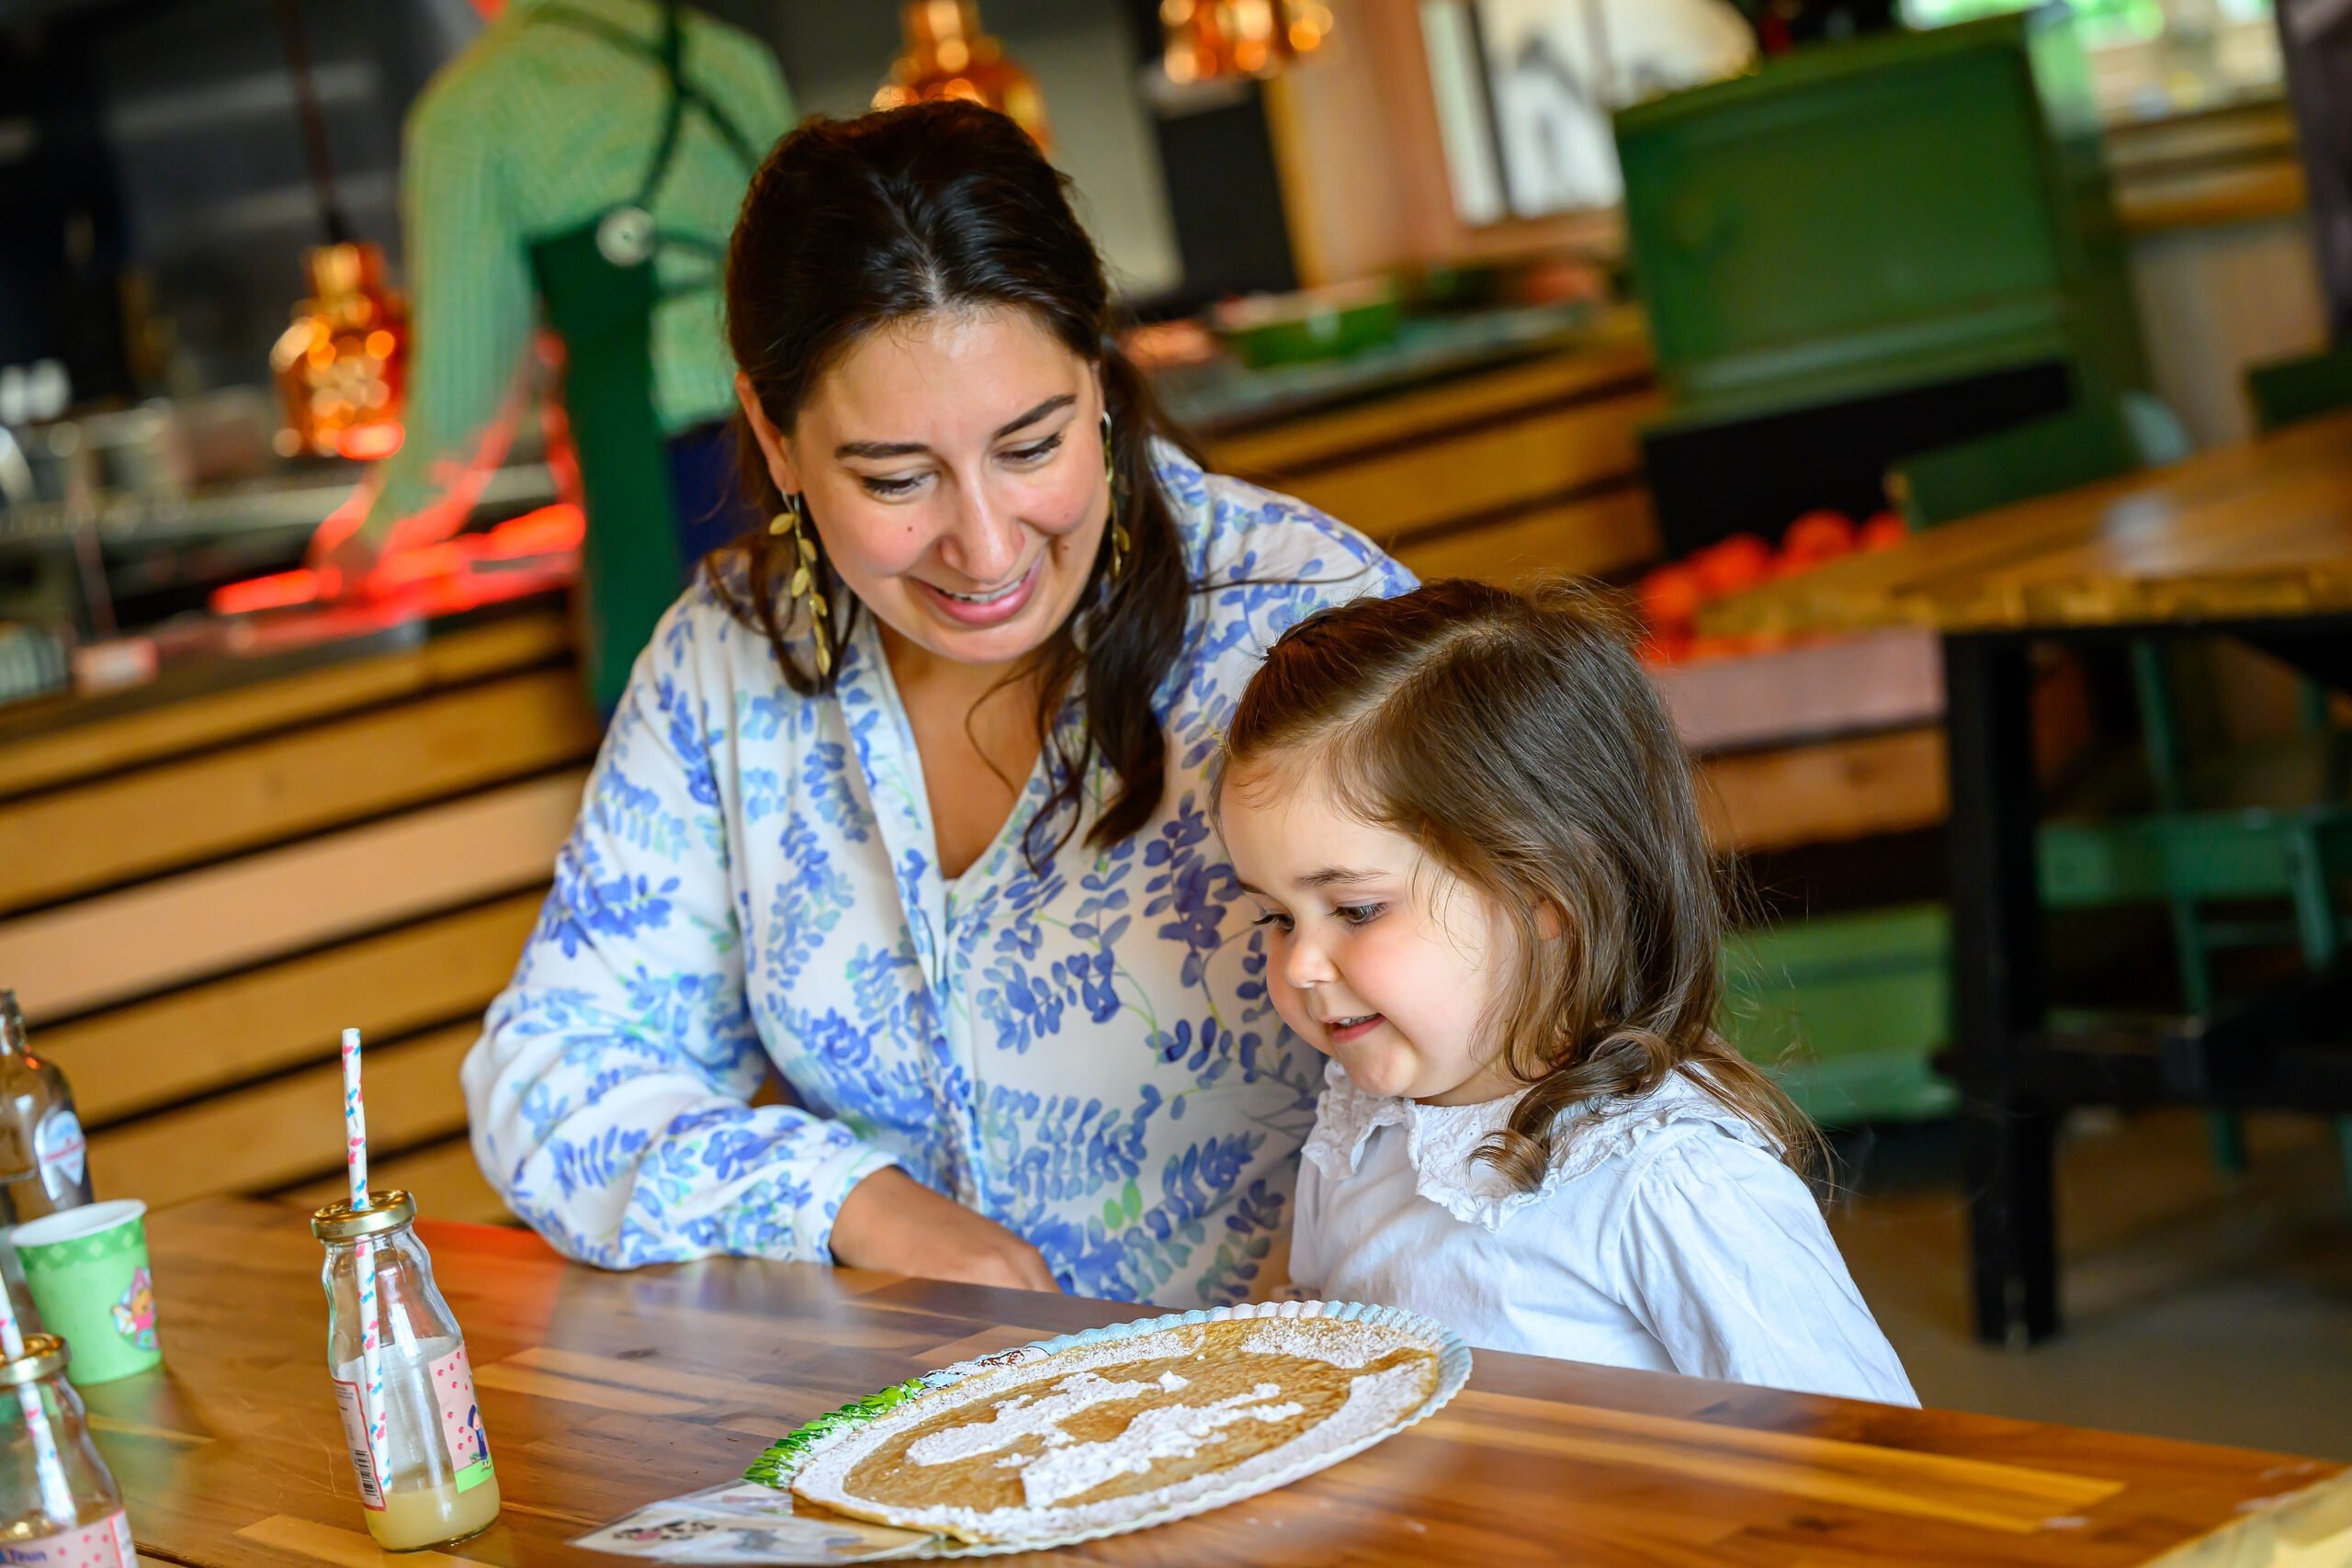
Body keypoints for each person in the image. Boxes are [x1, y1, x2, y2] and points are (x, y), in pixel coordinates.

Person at [460, 101, 1416, 1306]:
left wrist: (1267, 1339)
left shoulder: (1301, 619)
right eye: (898, 478)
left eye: (1033, 443)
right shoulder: (728, 662)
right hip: (922, 1431)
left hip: (1303, 1400)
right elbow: (551, 1068)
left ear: (1099, 373)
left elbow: (1507, 1036)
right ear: (775, 433)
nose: (983, 541)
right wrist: (851, 1201)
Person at [1214, 580, 1917, 1404]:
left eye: (1355, 909)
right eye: (1275, 918)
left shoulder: (1669, 1179)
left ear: (1545, 889)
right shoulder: (1361, 1123)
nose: (1300, 964)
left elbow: (1861, 1446)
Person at [311, 0, 794, 714]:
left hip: (662, 487)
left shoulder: (474, 111)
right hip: (803, 452)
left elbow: (464, 390)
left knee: (690, 764)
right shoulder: (729, 60)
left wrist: (377, 531)